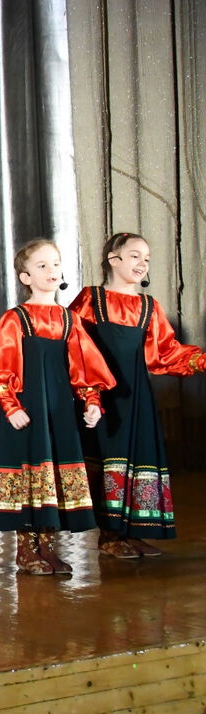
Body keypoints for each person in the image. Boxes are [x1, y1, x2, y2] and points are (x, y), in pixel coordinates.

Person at [0, 238, 115, 576]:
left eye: (56, 264)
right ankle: (26, 550)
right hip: (27, 410)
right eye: (42, 265)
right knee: (29, 472)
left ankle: (47, 546)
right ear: (25, 277)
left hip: (59, 411)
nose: (52, 271)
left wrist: (92, 402)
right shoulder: (15, 319)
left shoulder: (69, 320)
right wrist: (10, 405)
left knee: (55, 474)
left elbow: (86, 367)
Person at [68, 232, 204, 558]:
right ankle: (110, 535)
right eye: (134, 256)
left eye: (146, 258)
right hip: (102, 397)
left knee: (138, 459)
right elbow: (72, 344)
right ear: (113, 260)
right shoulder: (90, 299)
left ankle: (132, 532)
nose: (142, 263)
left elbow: (165, 353)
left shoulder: (148, 306)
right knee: (107, 459)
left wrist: (200, 360)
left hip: (137, 397)